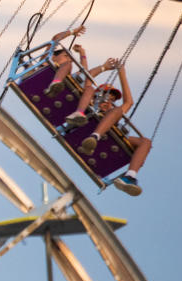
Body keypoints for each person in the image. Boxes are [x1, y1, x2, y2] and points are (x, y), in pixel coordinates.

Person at [64, 61, 152, 196]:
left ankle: (130, 176)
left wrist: (121, 72)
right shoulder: (89, 102)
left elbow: (129, 102)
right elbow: (88, 79)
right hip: (87, 124)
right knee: (116, 111)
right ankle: (94, 137)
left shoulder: (113, 112)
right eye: (105, 96)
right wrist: (103, 67)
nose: (108, 101)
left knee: (145, 142)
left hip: (109, 134)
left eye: (112, 99)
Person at [42, 25, 86, 96]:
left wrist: (82, 52)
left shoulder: (69, 78)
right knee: (67, 64)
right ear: (53, 56)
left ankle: (55, 86)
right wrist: (73, 31)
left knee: (82, 77)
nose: (69, 60)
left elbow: (84, 73)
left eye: (71, 60)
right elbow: (55, 38)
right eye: (66, 56)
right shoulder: (45, 62)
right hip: (41, 79)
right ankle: (55, 83)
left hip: (58, 94)